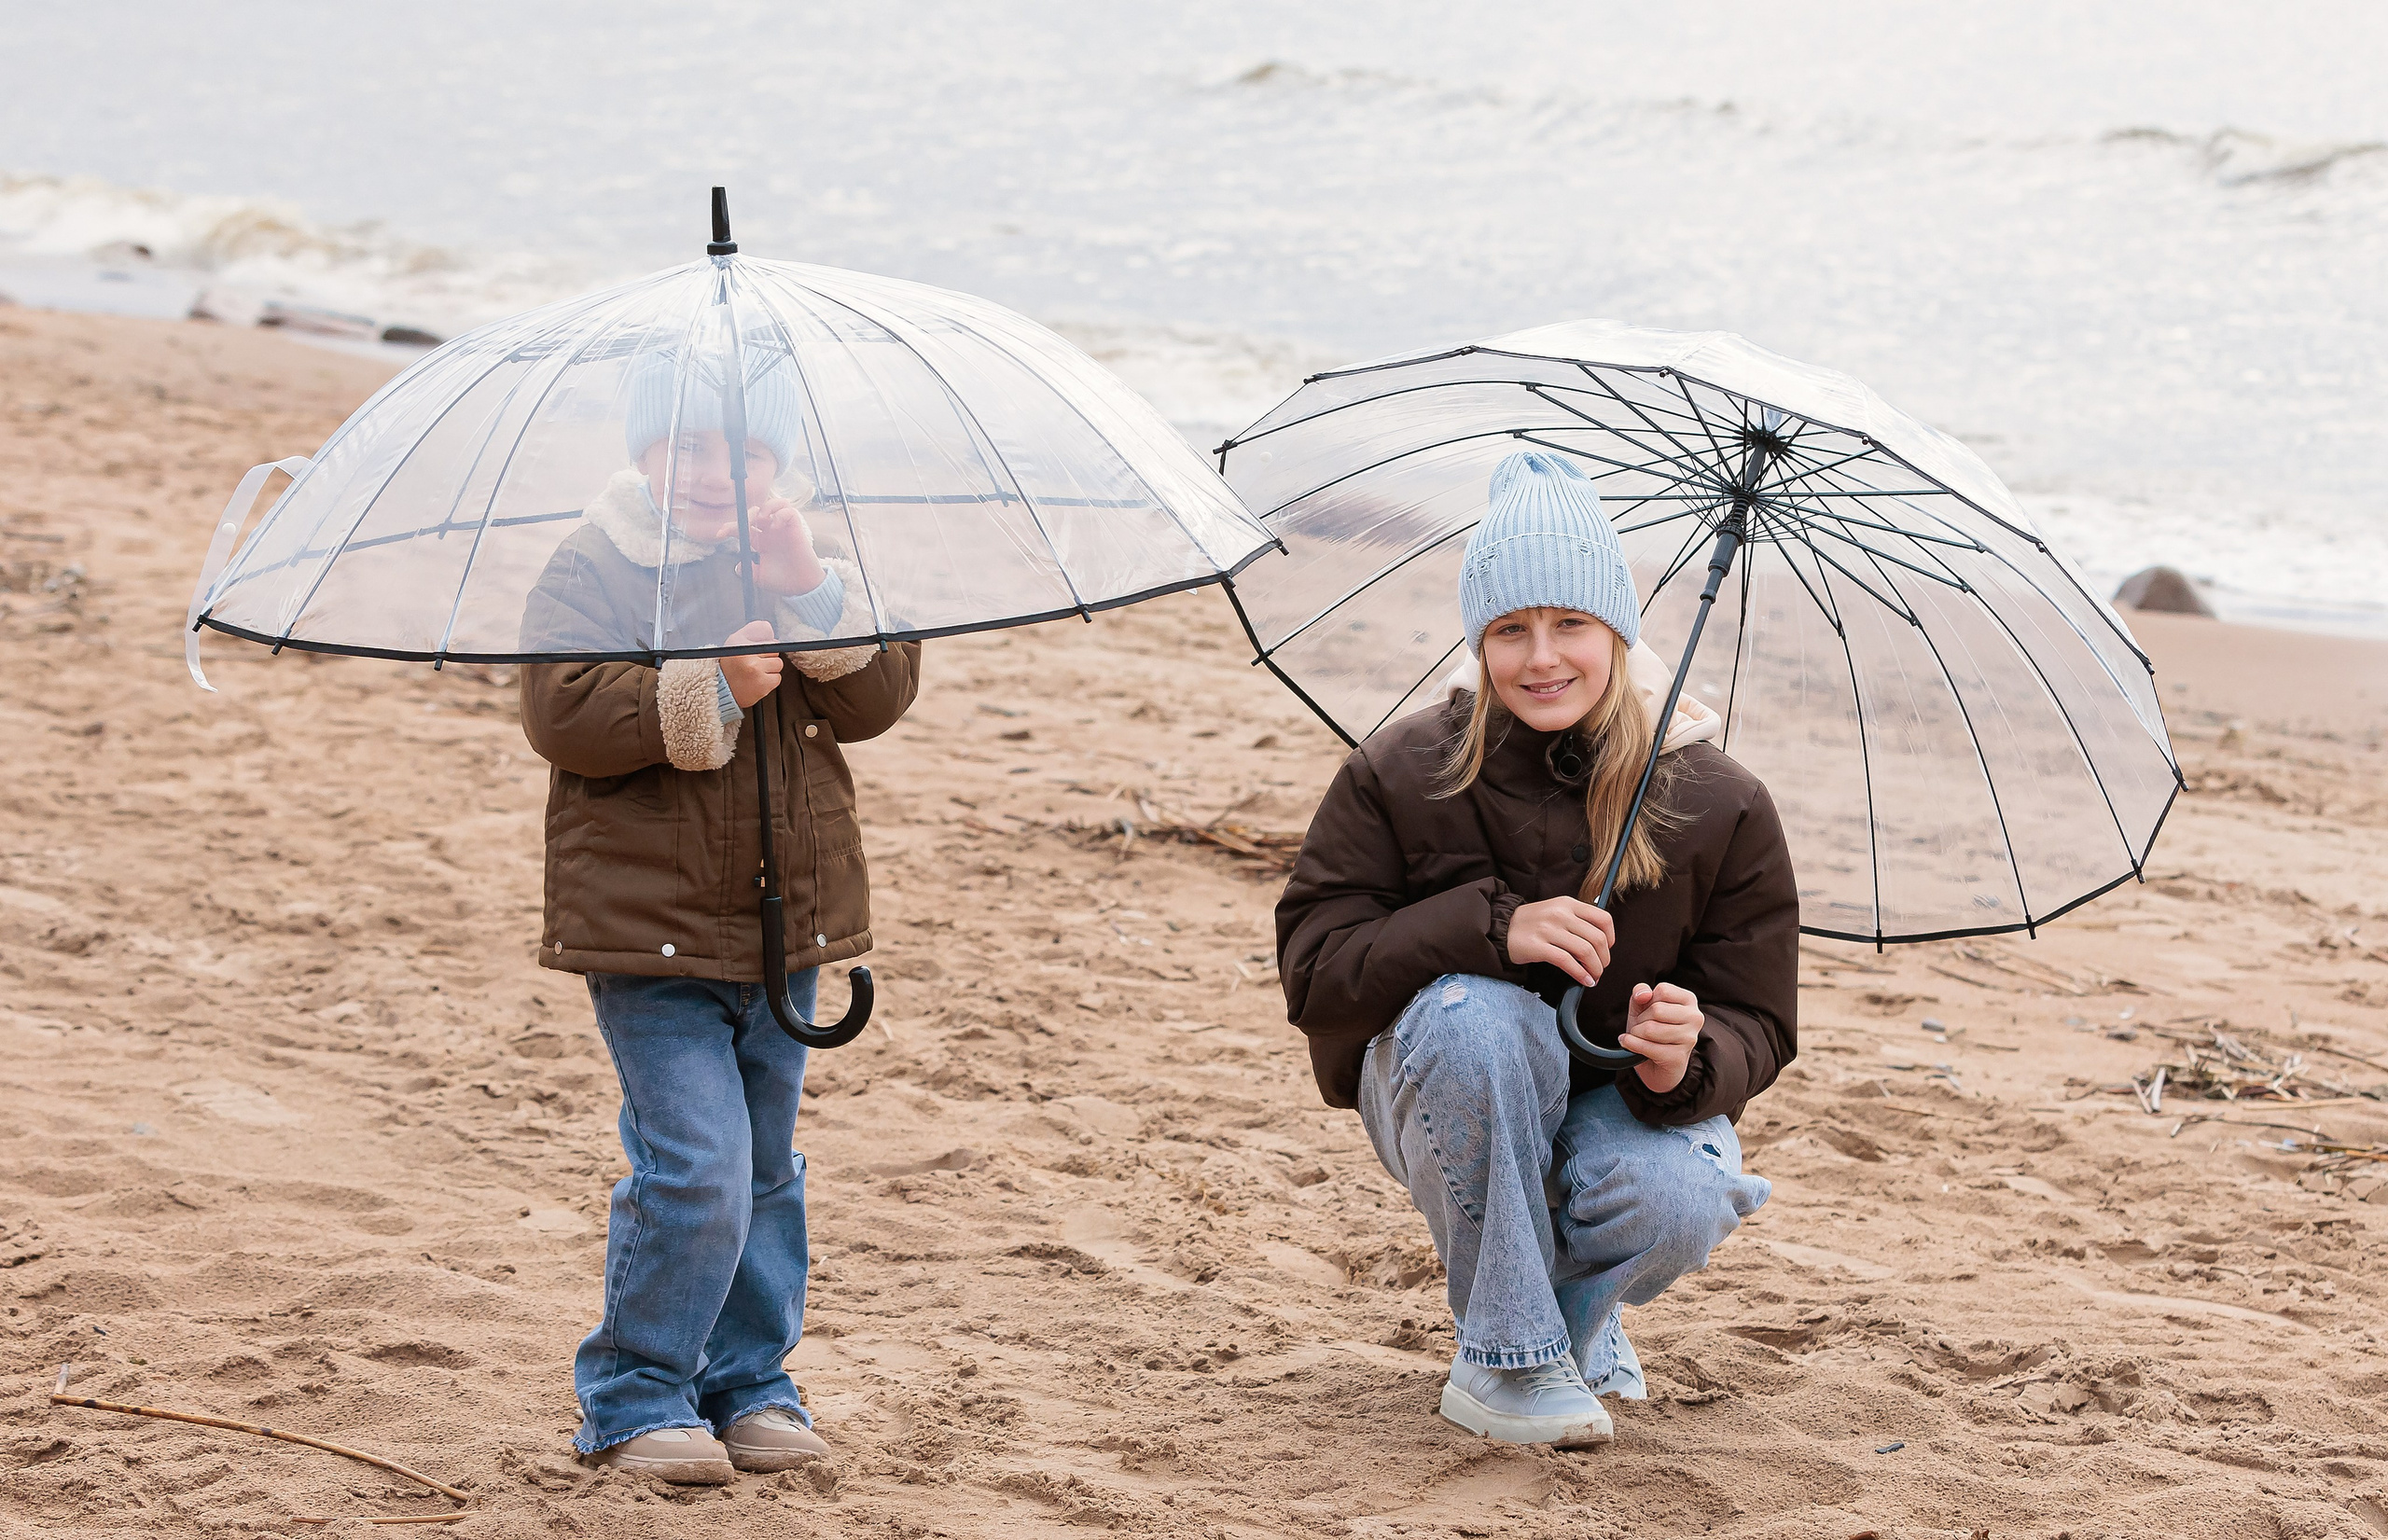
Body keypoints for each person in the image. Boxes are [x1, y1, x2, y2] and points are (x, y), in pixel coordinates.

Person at [1276, 450, 1797, 1448]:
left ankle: (1572, 1328)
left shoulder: (1719, 800)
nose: (1541, 656)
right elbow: (1315, 972)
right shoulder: (1402, 766)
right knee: (1482, 1016)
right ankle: (1508, 1363)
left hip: (1614, 1099)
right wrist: (1489, 928)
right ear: (1477, 639)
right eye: (1509, 629)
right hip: (1441, 1082)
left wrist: (1691, 1050)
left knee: (1683, 1193)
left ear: (1617, 630)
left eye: (1570, 624)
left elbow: (1760, 1018)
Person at [517, 351, 921, 1484]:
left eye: (741, 452)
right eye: (687, 445)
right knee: (694, 1162)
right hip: (649, 930)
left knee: (764, 1166)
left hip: (785, 928)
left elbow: (877, 696)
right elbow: (563, 714)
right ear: (643, 449)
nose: (711, 472)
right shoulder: (595, 562)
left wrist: (806, 588)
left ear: (775, 462)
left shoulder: (801, 558)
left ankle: (747, 1381)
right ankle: (636, 1390)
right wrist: (705, 682)